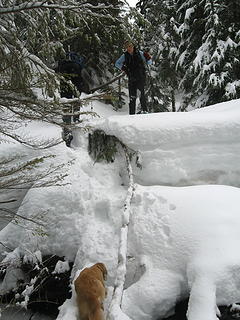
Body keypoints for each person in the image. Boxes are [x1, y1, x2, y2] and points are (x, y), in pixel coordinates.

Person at [115, 41, 152, 115]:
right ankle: (131, 115)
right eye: (127, 47)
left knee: (142, 96)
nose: (129, 48)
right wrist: (124, 69)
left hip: (140, 77)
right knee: (132, 97)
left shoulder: (140, 53)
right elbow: (117, 64)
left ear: (133, 46)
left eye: (130, 46)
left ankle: (145, 112)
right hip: (131, 78)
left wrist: (148, 59)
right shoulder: (125, 56)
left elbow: (149, 61)